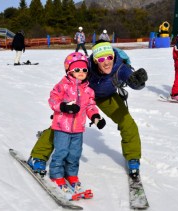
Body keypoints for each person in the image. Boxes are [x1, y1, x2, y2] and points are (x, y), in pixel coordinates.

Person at [28, 41, 148, 179]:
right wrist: (63, 104)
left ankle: (133, 158)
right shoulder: (87, 66)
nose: (107, 62)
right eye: (101, 59)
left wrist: (139, 84)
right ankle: (38, 156)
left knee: (127, 122)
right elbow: (70, 77)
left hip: (107, 97)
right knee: (61, 125)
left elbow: (133, 81)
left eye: (109, 57)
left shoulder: (120, 67)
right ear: (95, 60)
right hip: (83, 95)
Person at [47, 51, 106, 190]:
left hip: (78, 128)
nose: (81, 72)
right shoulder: (63, 85)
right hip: (62, 126)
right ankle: (56, 174)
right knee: (61, 151)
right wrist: (63, 106)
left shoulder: (88, 90)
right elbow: (52, 100)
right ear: (69, 71)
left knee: (75, 153)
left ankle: (71, 174)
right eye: (77, 69)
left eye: (84, 69)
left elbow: (91, 106)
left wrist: (96, 118)